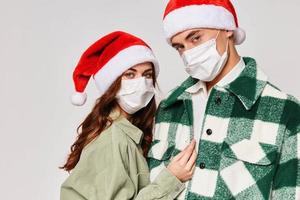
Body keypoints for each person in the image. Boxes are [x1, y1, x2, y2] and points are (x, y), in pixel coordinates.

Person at [147, 0, 300, 199]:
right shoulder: (169, 107)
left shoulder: (285, 111)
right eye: (180, 47)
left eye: (195, 38)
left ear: (227, 29)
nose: (188, 53)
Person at [60, 31, 197, 200]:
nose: (141, 82)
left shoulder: (127, 133)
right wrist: (171, 179)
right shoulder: (112, 139)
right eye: (130, 75)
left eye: (147, 75)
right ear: (112, 83)